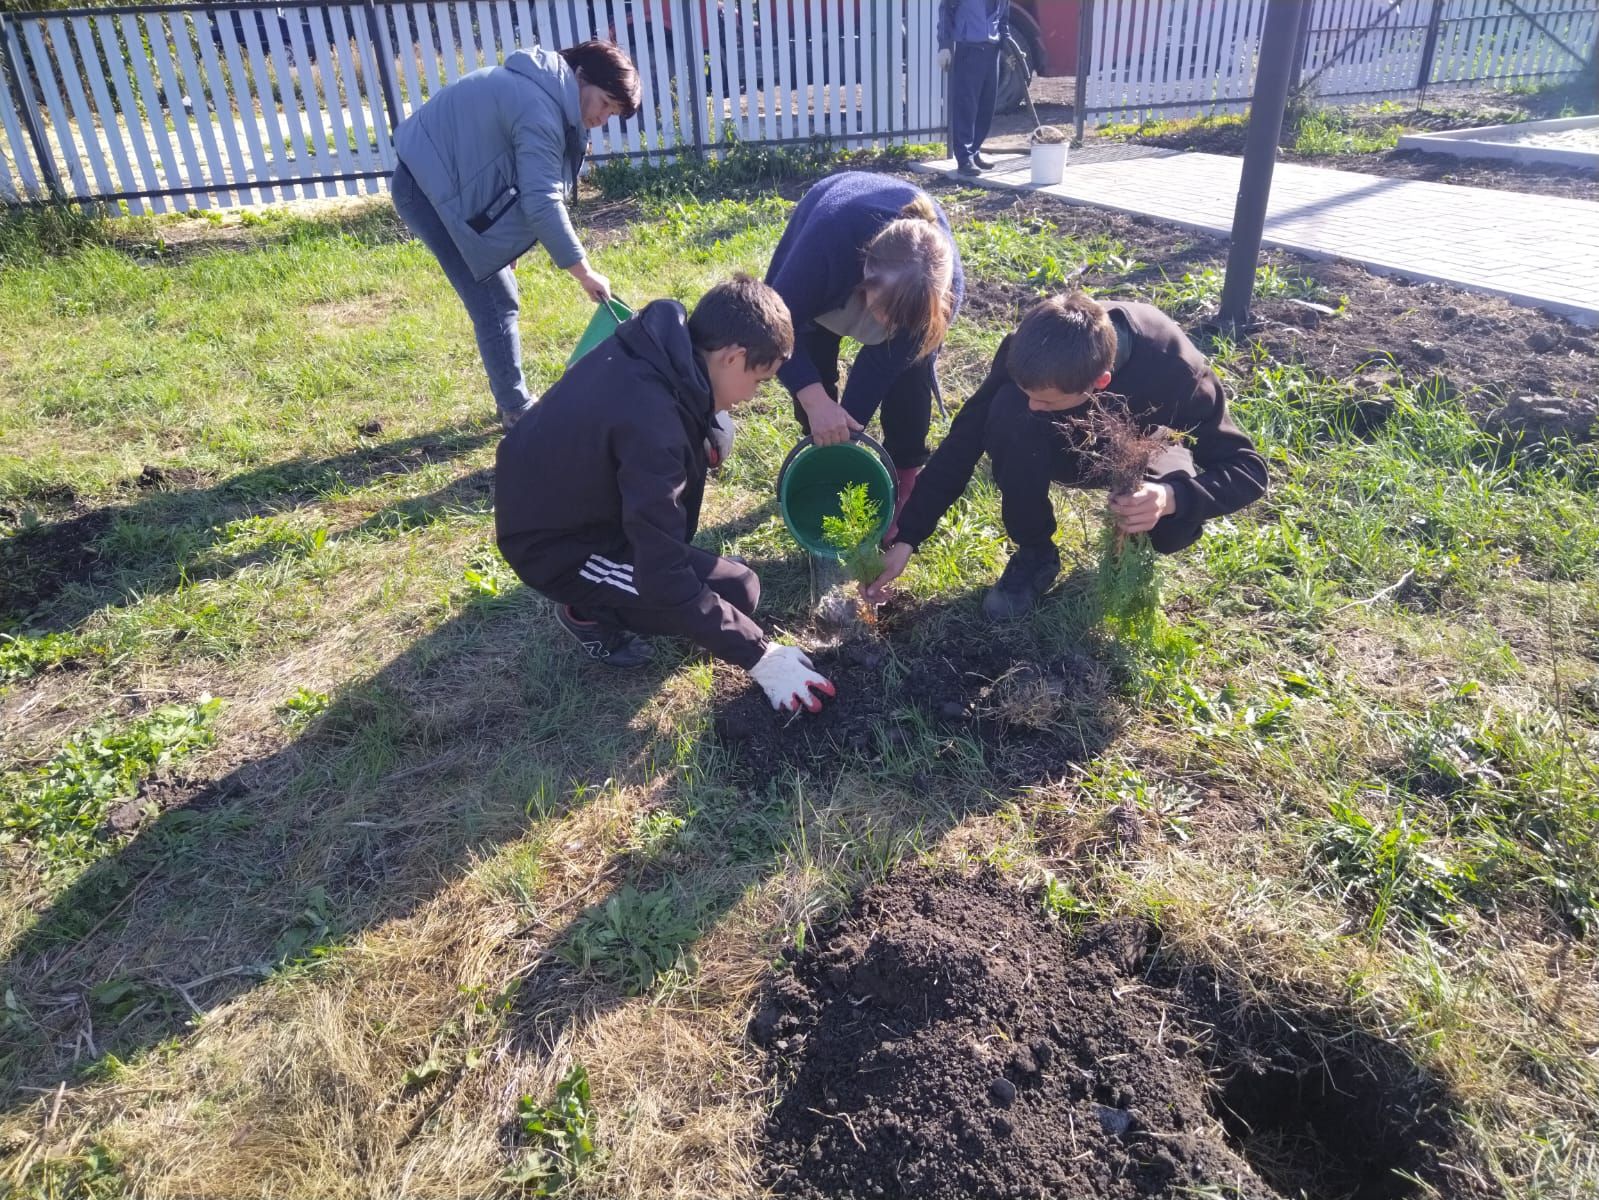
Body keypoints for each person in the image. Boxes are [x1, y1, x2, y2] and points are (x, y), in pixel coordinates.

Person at [495, 275, 835, 715]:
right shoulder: (655, 426)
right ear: (733, 357)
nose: (751, 398)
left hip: (572, 494)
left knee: (742, 587)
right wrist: (759, 655)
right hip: (555, 544)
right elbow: (664, 575)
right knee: (725, 599)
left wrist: (701, 428)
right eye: (760, 381)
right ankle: (586, 611)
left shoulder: (655, 346)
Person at [864, 292, 1268, 619]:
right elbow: (962, 442)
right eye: (1030, 393)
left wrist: (1171, 498)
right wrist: (908, 537)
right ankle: (1036, 556)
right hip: (1064, 445)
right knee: (1008, 414)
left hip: (1148, 447)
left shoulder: (1176, 370)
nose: (1034, 404)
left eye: (1045, 399)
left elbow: (1248, 470)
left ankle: (1133, 548)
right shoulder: (1027, 350)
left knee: (1169, 528)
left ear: (1101, 381)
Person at [391, 40, 641, 429]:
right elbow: (540, 200)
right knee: (496, 302)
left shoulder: (543, 92)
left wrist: (502, 240)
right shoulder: (538, 108)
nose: (603, 118)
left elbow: (502, 169)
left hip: (440, 179)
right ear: (581, 76)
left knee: (498, 297)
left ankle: (510, 399)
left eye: (614, 113)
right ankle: (516, 409)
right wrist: (584, 272)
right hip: (425, 189)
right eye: (605, 103)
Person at [764, 171, 963, 538]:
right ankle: (822, 463)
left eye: (901, 318)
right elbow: (776, 329)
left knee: (910, 374)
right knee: (815, 373)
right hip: (828, 263)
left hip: (907, 290)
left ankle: (905, 479)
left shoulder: (942, 289)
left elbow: (880, 368)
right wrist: (817, 403)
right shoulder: (824, 247)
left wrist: (849, 424)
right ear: (865, 273)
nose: (887, 323)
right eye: (884, 310)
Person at [938, 0, 1010, 177]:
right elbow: (946, 11)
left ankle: (975, 151)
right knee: (966, 106)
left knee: (986, 106)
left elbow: (1004, 17)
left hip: (992, 51)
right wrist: (945, 45)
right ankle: (964, 158)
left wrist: (1007, 41)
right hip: (968, 48)